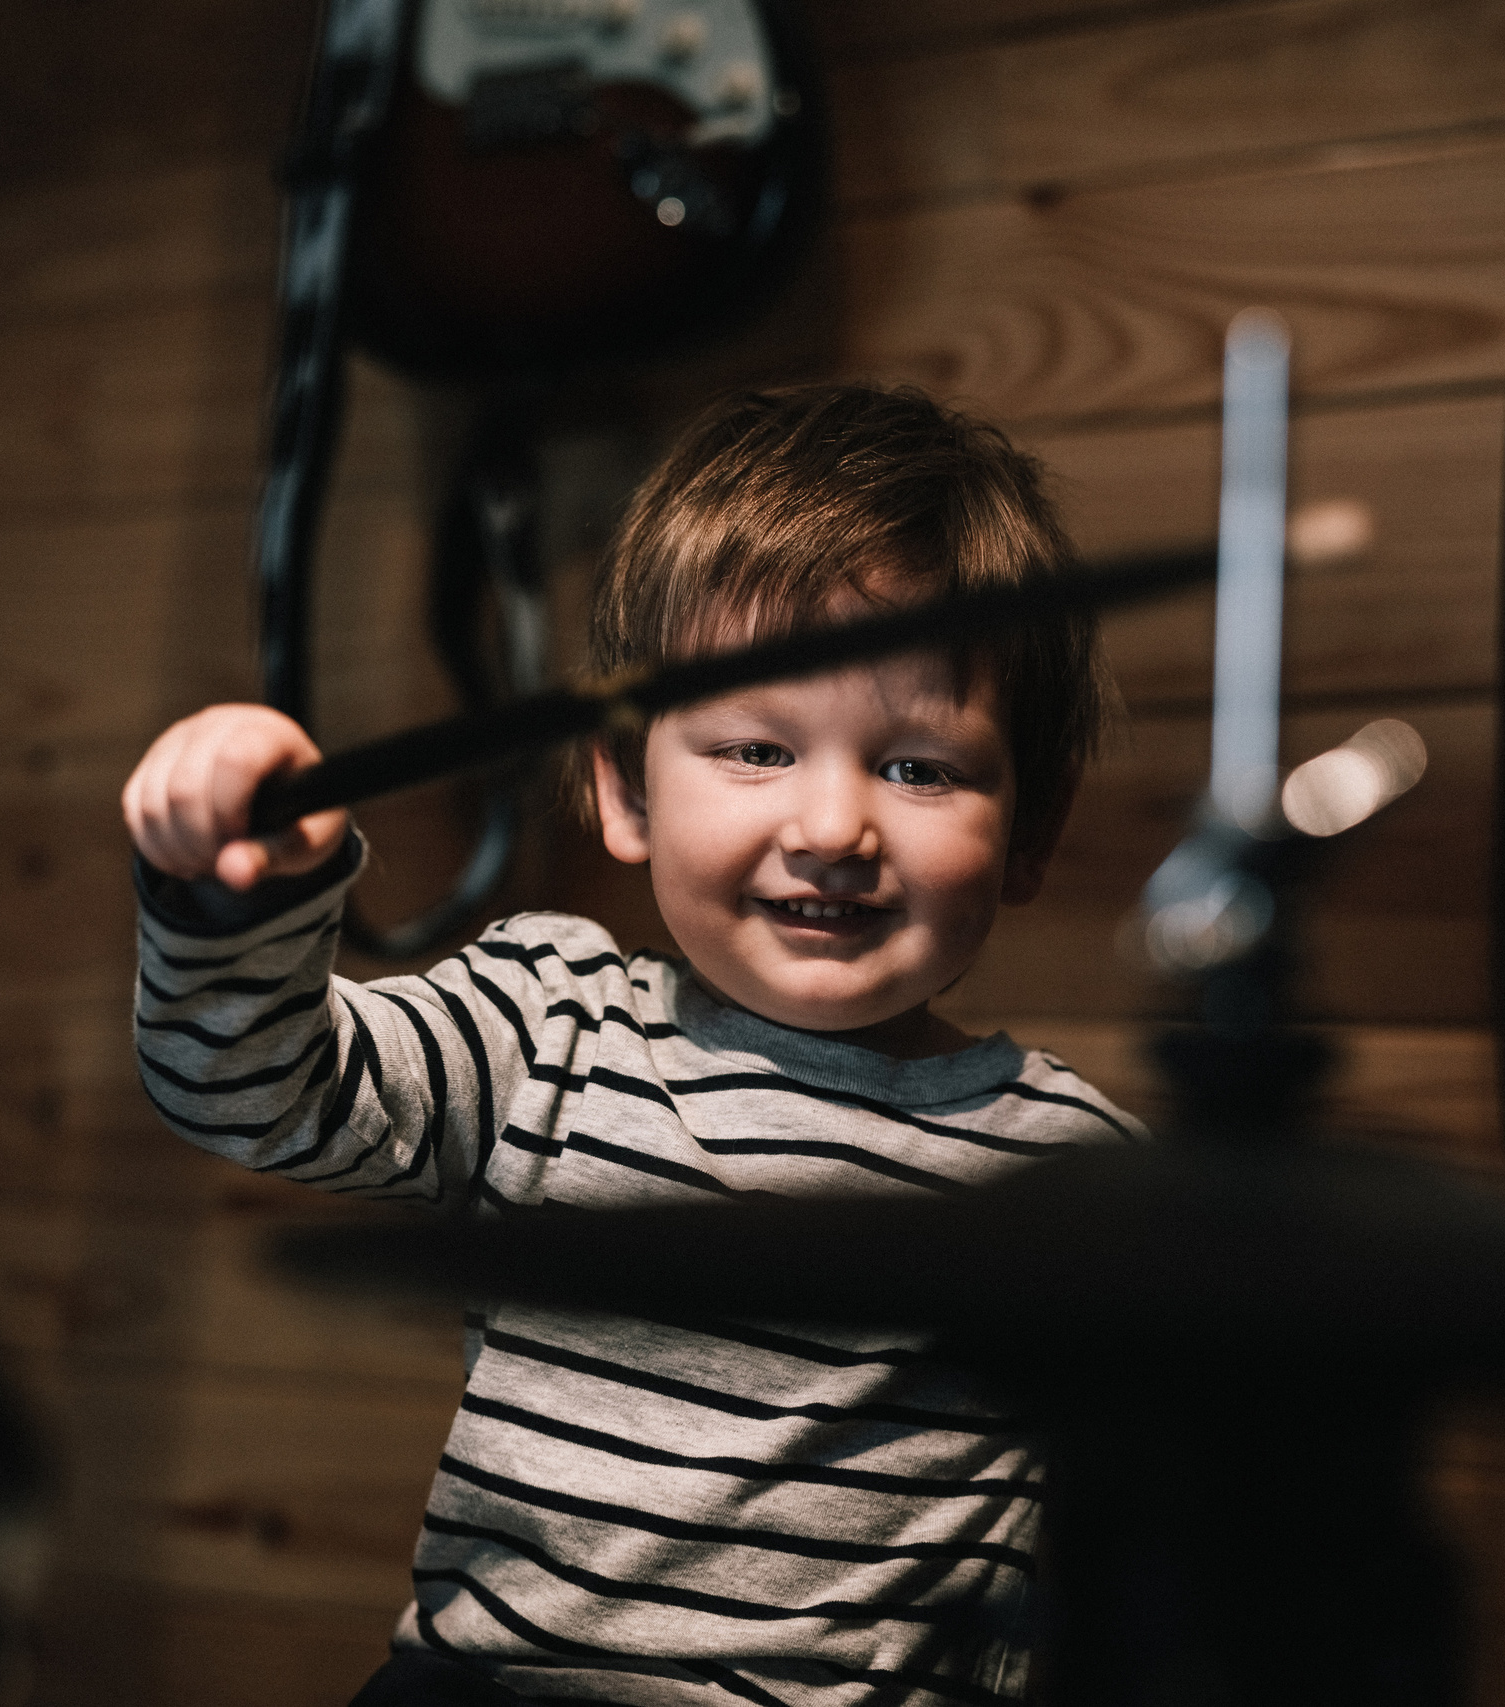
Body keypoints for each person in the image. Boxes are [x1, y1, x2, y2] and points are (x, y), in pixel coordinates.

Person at [122, 382, 1141, 1706]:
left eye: (918, 769)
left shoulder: (1073, 1175)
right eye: (757, 747)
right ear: (621, 786)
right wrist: (233, 895)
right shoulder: (545, 1021)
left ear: (1033, 827)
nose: (833, 825)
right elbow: (248, 1087)